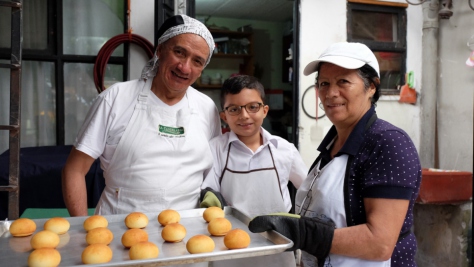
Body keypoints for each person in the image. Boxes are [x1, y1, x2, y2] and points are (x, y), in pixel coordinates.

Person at [249, 42, 422, 267]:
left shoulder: (388, 143)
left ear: (372, 86)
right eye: (324, 83)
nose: (330, 93)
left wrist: (303, 233)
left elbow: (380, 243)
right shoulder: (331, 146)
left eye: (343, 82)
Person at [62, 14, 221, 216]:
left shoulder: (206, 107)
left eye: (197, 61)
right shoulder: (116, 99)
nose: (185, 67)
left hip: (188, 232)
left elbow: (213, 172)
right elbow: (74, 170)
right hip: (119, 230)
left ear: (201, 70)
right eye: (179, 52)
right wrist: (84, 231)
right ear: (160, 49)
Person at [200, 75, 308, 267]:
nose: (244, 116)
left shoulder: (284, 149)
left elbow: (309, 193)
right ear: (224, 116)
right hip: (230, 249)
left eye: (253, 107)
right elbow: (210, 198)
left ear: (265, 110)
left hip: (278, 246)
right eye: (234, 109)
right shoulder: (216, 149)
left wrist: (300, 227)